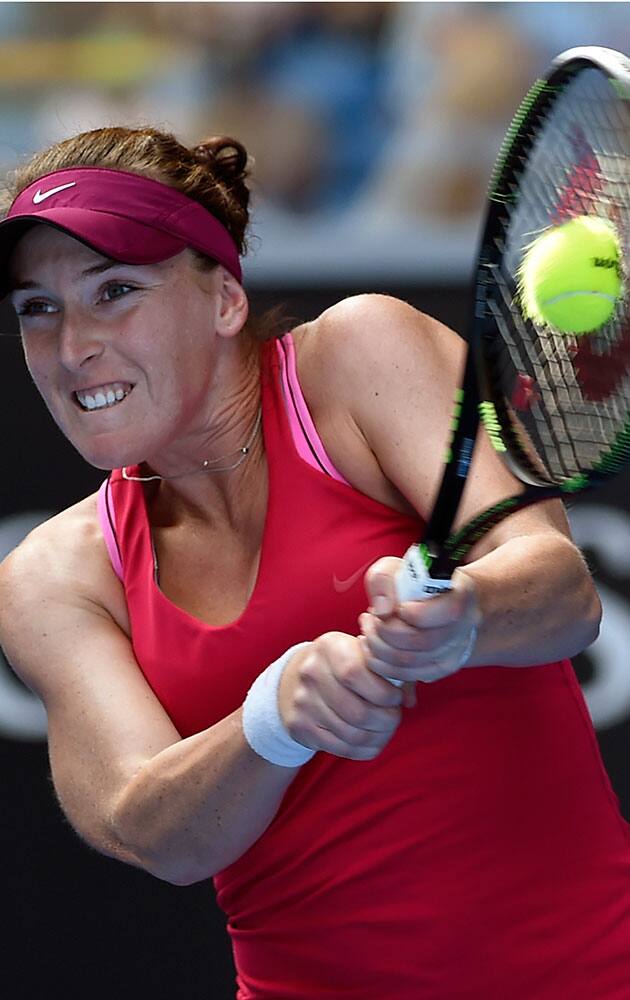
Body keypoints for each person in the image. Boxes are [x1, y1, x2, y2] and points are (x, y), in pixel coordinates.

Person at [0, 126, 628, 1000]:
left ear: (224, 298)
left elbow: (562, 591)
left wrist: (463, 617)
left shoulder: (360, 358)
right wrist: (274, 721)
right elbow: (153, 830)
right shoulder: (53, 576)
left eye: (115, 291)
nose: (73, 347)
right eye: (39, 307)